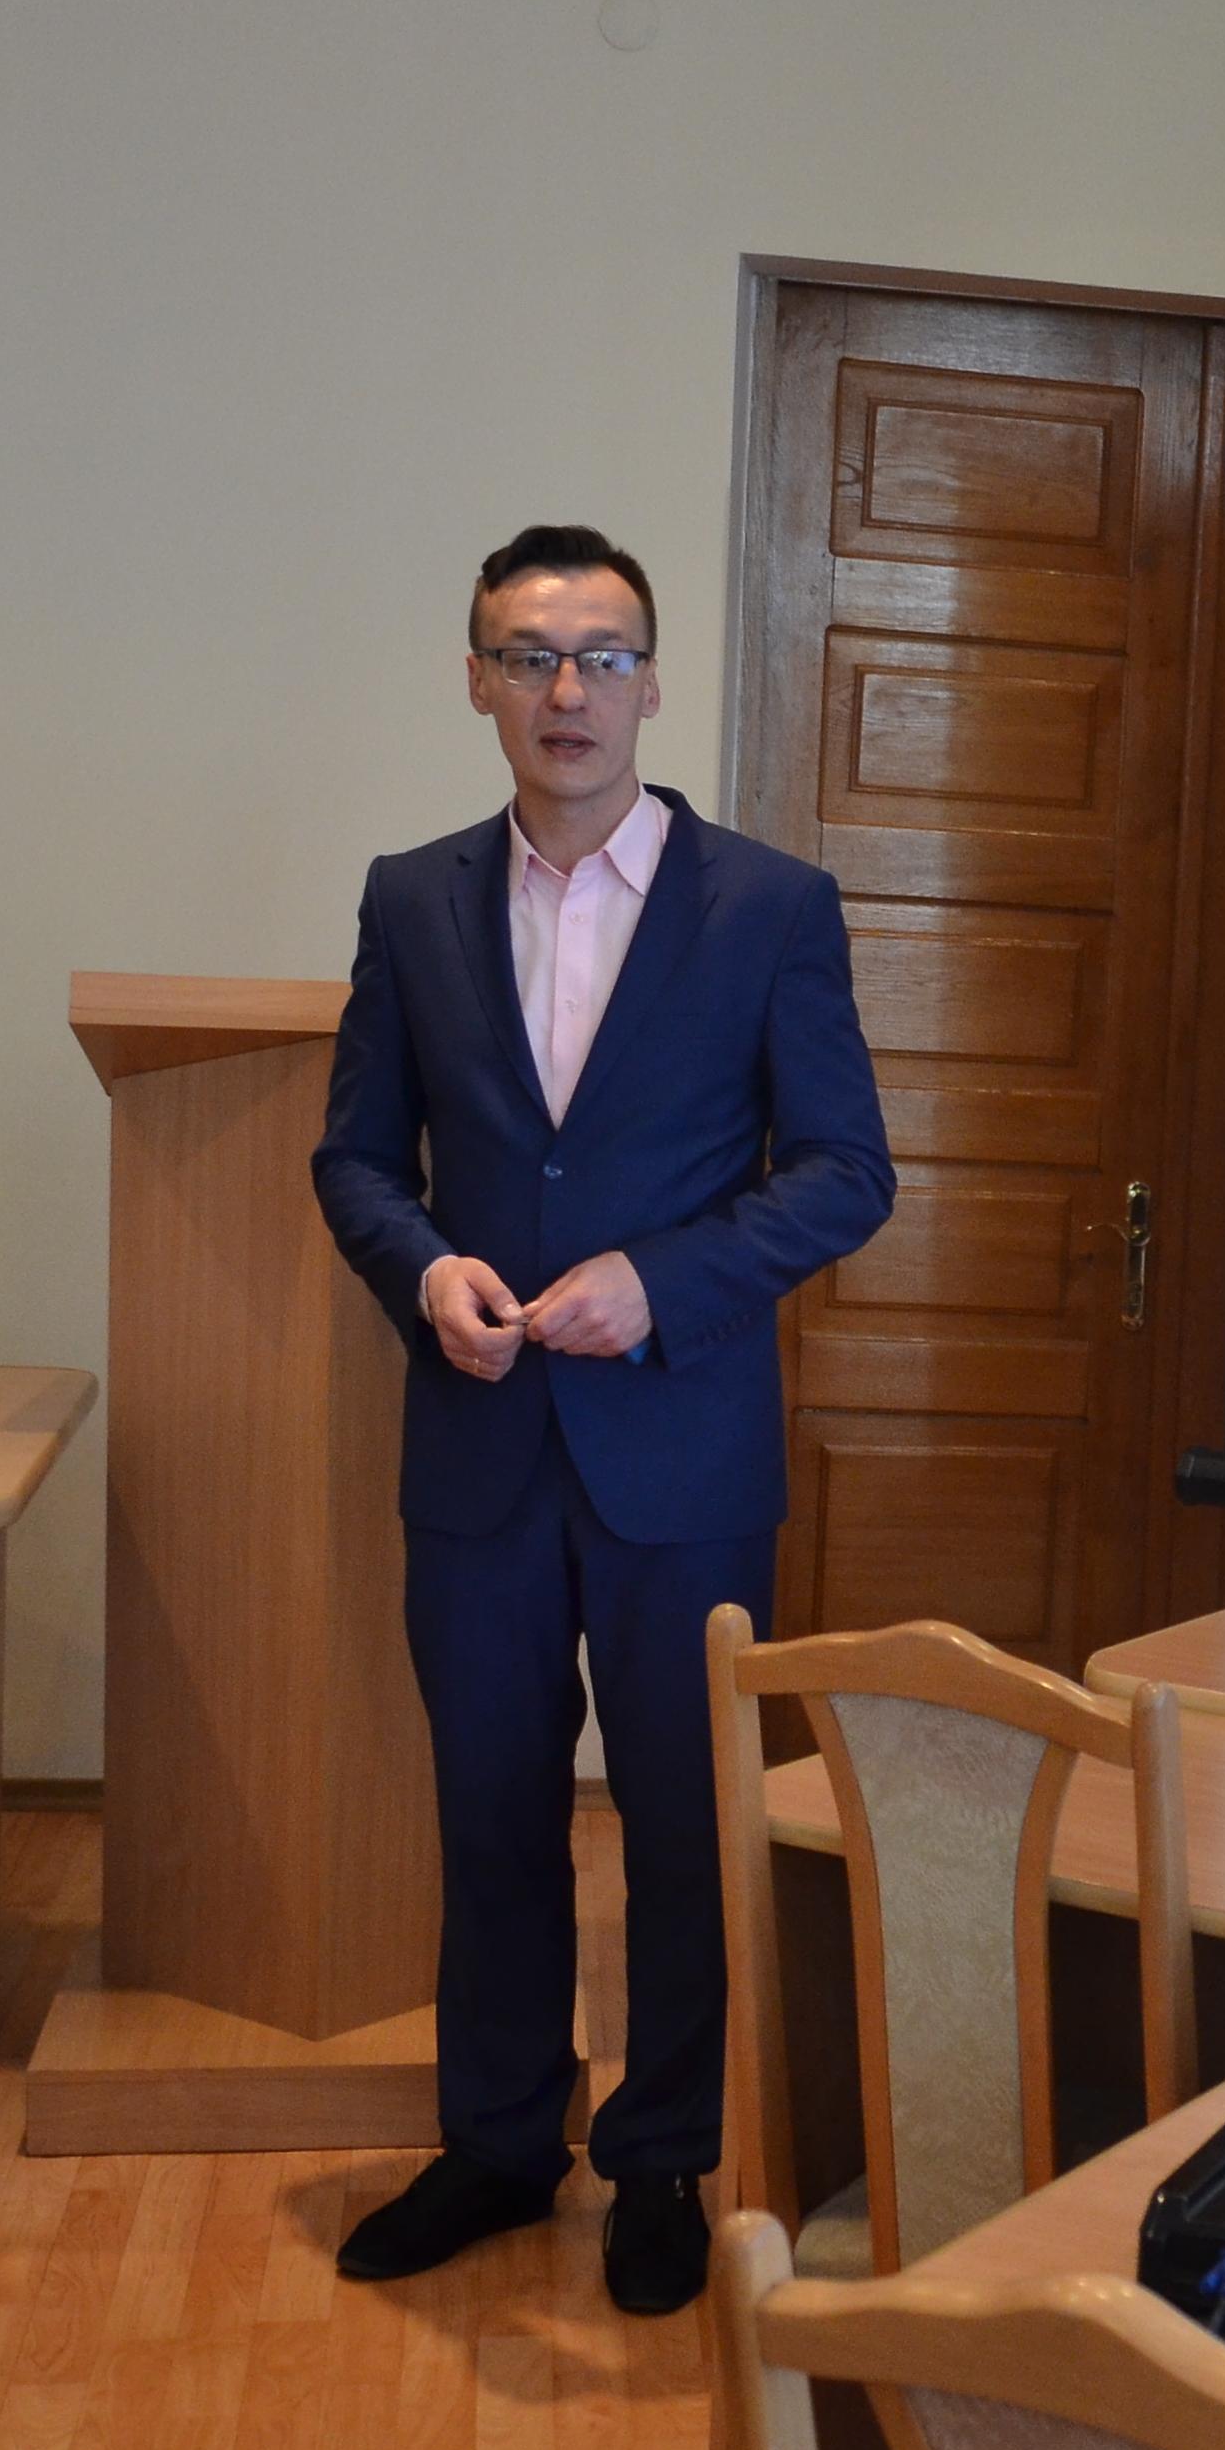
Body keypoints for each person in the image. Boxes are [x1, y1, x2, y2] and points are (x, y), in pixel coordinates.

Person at [311, 525, 894, 2311]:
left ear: (650, 681)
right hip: (477, 1441)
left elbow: (844, 1172)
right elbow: (355, 1157)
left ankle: (664, 2158)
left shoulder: (769, 906)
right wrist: (424, 1270)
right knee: (491, 1811)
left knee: (685, 1824)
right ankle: (498, 2143)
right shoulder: (412, 898)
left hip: (681, 1449)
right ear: (475, 680)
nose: (566, 691)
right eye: (528, 656)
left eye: (602, 656)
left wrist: (665, 1281)